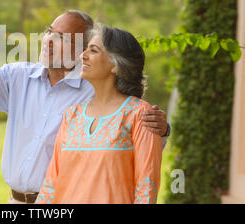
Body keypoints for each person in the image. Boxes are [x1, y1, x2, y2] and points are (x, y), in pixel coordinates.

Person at [0, 10, 170, 204]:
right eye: (49, 31)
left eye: (61, 37)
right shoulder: (18, 77)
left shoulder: (95, 90)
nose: (49, 41)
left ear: (82, 48)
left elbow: (132, 141)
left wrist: (161, 129)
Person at [36, 23, 162, 204]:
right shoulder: (72, 115)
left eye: (93, 51)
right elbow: (51, 184)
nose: (82, 56)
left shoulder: (140, 115)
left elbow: (146, 189)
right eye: (85, 49)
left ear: (116, 65)